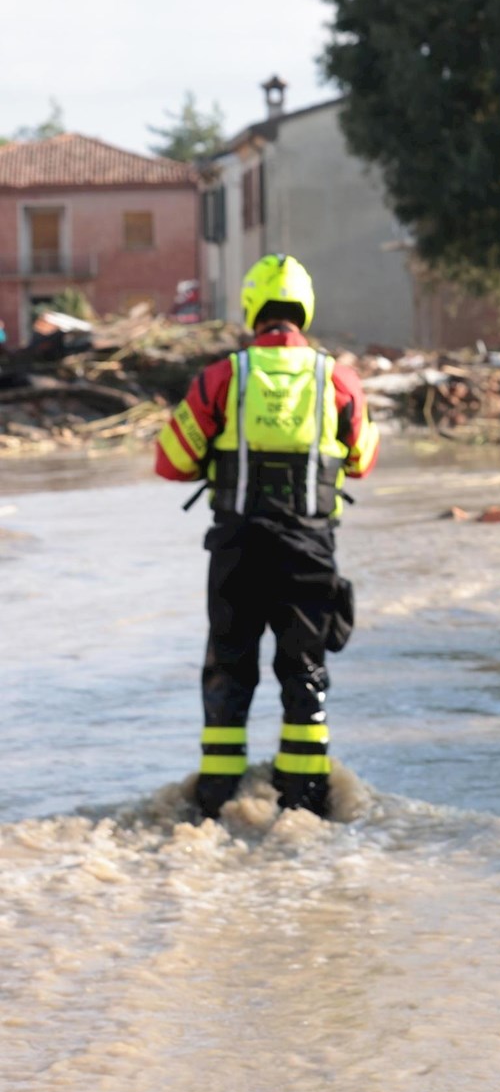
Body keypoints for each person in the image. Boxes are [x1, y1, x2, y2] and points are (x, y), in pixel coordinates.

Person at [154, 254, 380, 819]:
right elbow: (363, 460)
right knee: (303, 674)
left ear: (253, 307)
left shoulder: (223, 378)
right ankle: (303, 808)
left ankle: (216, 804)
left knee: (229, 672)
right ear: (305, 307)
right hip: (308, 551)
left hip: (237, 551)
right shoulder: (337, 380)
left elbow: (170, 460)